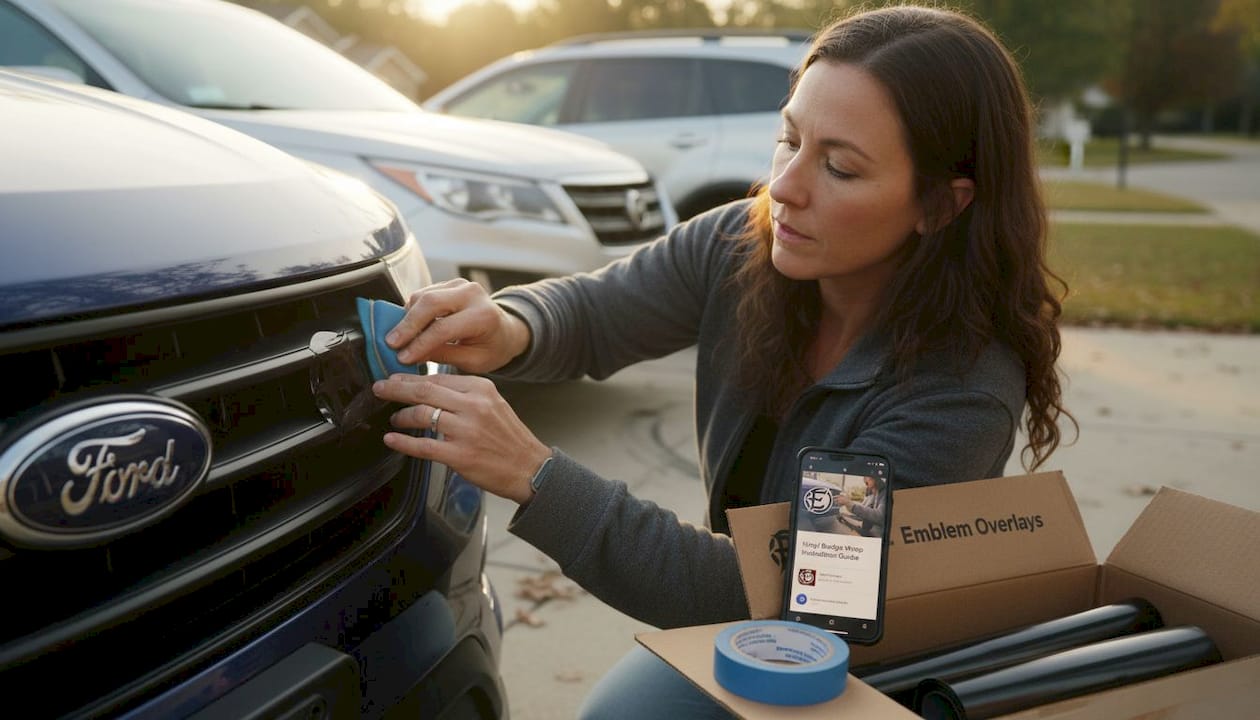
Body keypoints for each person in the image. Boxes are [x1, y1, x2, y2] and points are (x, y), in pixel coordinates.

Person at [371, 4, 1075, 717]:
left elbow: (793, 600)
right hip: (765, 636)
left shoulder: (956, 388)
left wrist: (534, 476)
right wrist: (510, 323)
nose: (788, 186)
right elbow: (597, 309)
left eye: (839, 166)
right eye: (788, 139)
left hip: (873, 672)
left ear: (941, 206)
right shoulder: (743, 244)